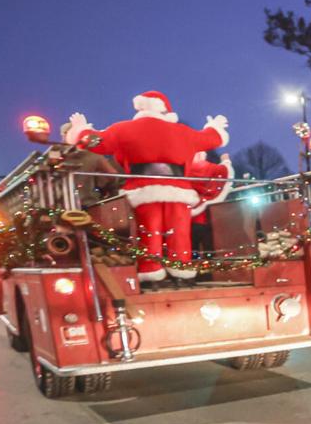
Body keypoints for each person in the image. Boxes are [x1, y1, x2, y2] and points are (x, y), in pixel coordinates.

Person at [65, 90, 229, 282]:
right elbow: (211, 138)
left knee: (150, 231)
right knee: (180, 231)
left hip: (143, 188)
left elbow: (95, 142)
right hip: (178, 189)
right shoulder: (182, 131)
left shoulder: (124, 129)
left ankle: (151, 269)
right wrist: (214, 127)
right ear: (165, 110)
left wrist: (81, 129)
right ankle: (181, 268)